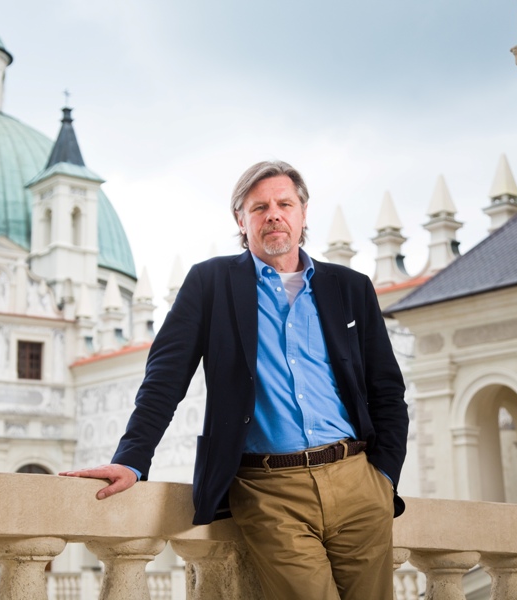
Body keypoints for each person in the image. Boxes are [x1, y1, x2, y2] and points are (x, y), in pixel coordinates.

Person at [61, 160, 409, 599]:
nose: (273, 215)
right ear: (241, 220)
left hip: (357, 481)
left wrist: (384, 478)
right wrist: (131, 459)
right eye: (259, 207)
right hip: (270, 490)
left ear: (303, 213)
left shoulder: (350, 287)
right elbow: (165, 379)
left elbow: (386, 389)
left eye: (284, 204)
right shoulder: (210, 283)